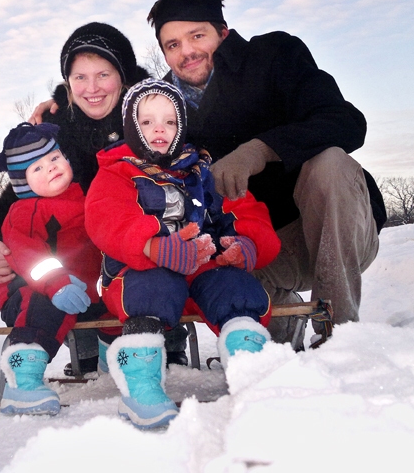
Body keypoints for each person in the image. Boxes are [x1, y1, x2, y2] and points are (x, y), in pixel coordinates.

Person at [146, 0, 387, 342]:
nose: (187, 52)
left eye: (197, 36)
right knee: (226, 283)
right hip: (263, 250)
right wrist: (67, 106)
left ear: (222, 33)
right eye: (172, 45)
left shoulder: (273, 55)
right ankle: (284, 336)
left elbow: (345, 121)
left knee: (329, 163)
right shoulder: (165, 105)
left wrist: (259, 150)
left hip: (335, 228)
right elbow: (124, 131)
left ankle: (340, 334)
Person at [0, 22, 190, 372]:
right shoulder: (58, 133)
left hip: (153, 253)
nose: (92, 88)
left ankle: (170, 341)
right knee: (61, 248)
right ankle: (86, 347)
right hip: (88, 266)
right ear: (68, 84)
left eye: (103, 74)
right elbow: (20, 196)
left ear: (124, 77)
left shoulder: (153, 116)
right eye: (80, 78)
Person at [85, 79, 281, 429]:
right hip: (139, 271)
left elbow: (245, 210)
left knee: (237, 289)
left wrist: (246, 244)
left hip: (204, 266)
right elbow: (107, 218)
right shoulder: (117, 173)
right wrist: (152, 245)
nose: (159, 128)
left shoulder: (205, 171)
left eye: (170, 121)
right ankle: (140, 387)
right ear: (131, 127)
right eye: (147, 122)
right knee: (151, 288)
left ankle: (250, 368)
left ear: (182, 127)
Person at [0, 122, 115, 415]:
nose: (50, 167)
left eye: (54, 158)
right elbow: (28, 257)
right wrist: (57, 284)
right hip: (31, 293)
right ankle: (23, 380)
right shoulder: (26, 211)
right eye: (37, 168)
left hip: (84, 293)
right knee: (43, 307)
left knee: (120, 303)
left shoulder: (85, 197)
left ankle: (116, 361)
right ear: (22, 182)